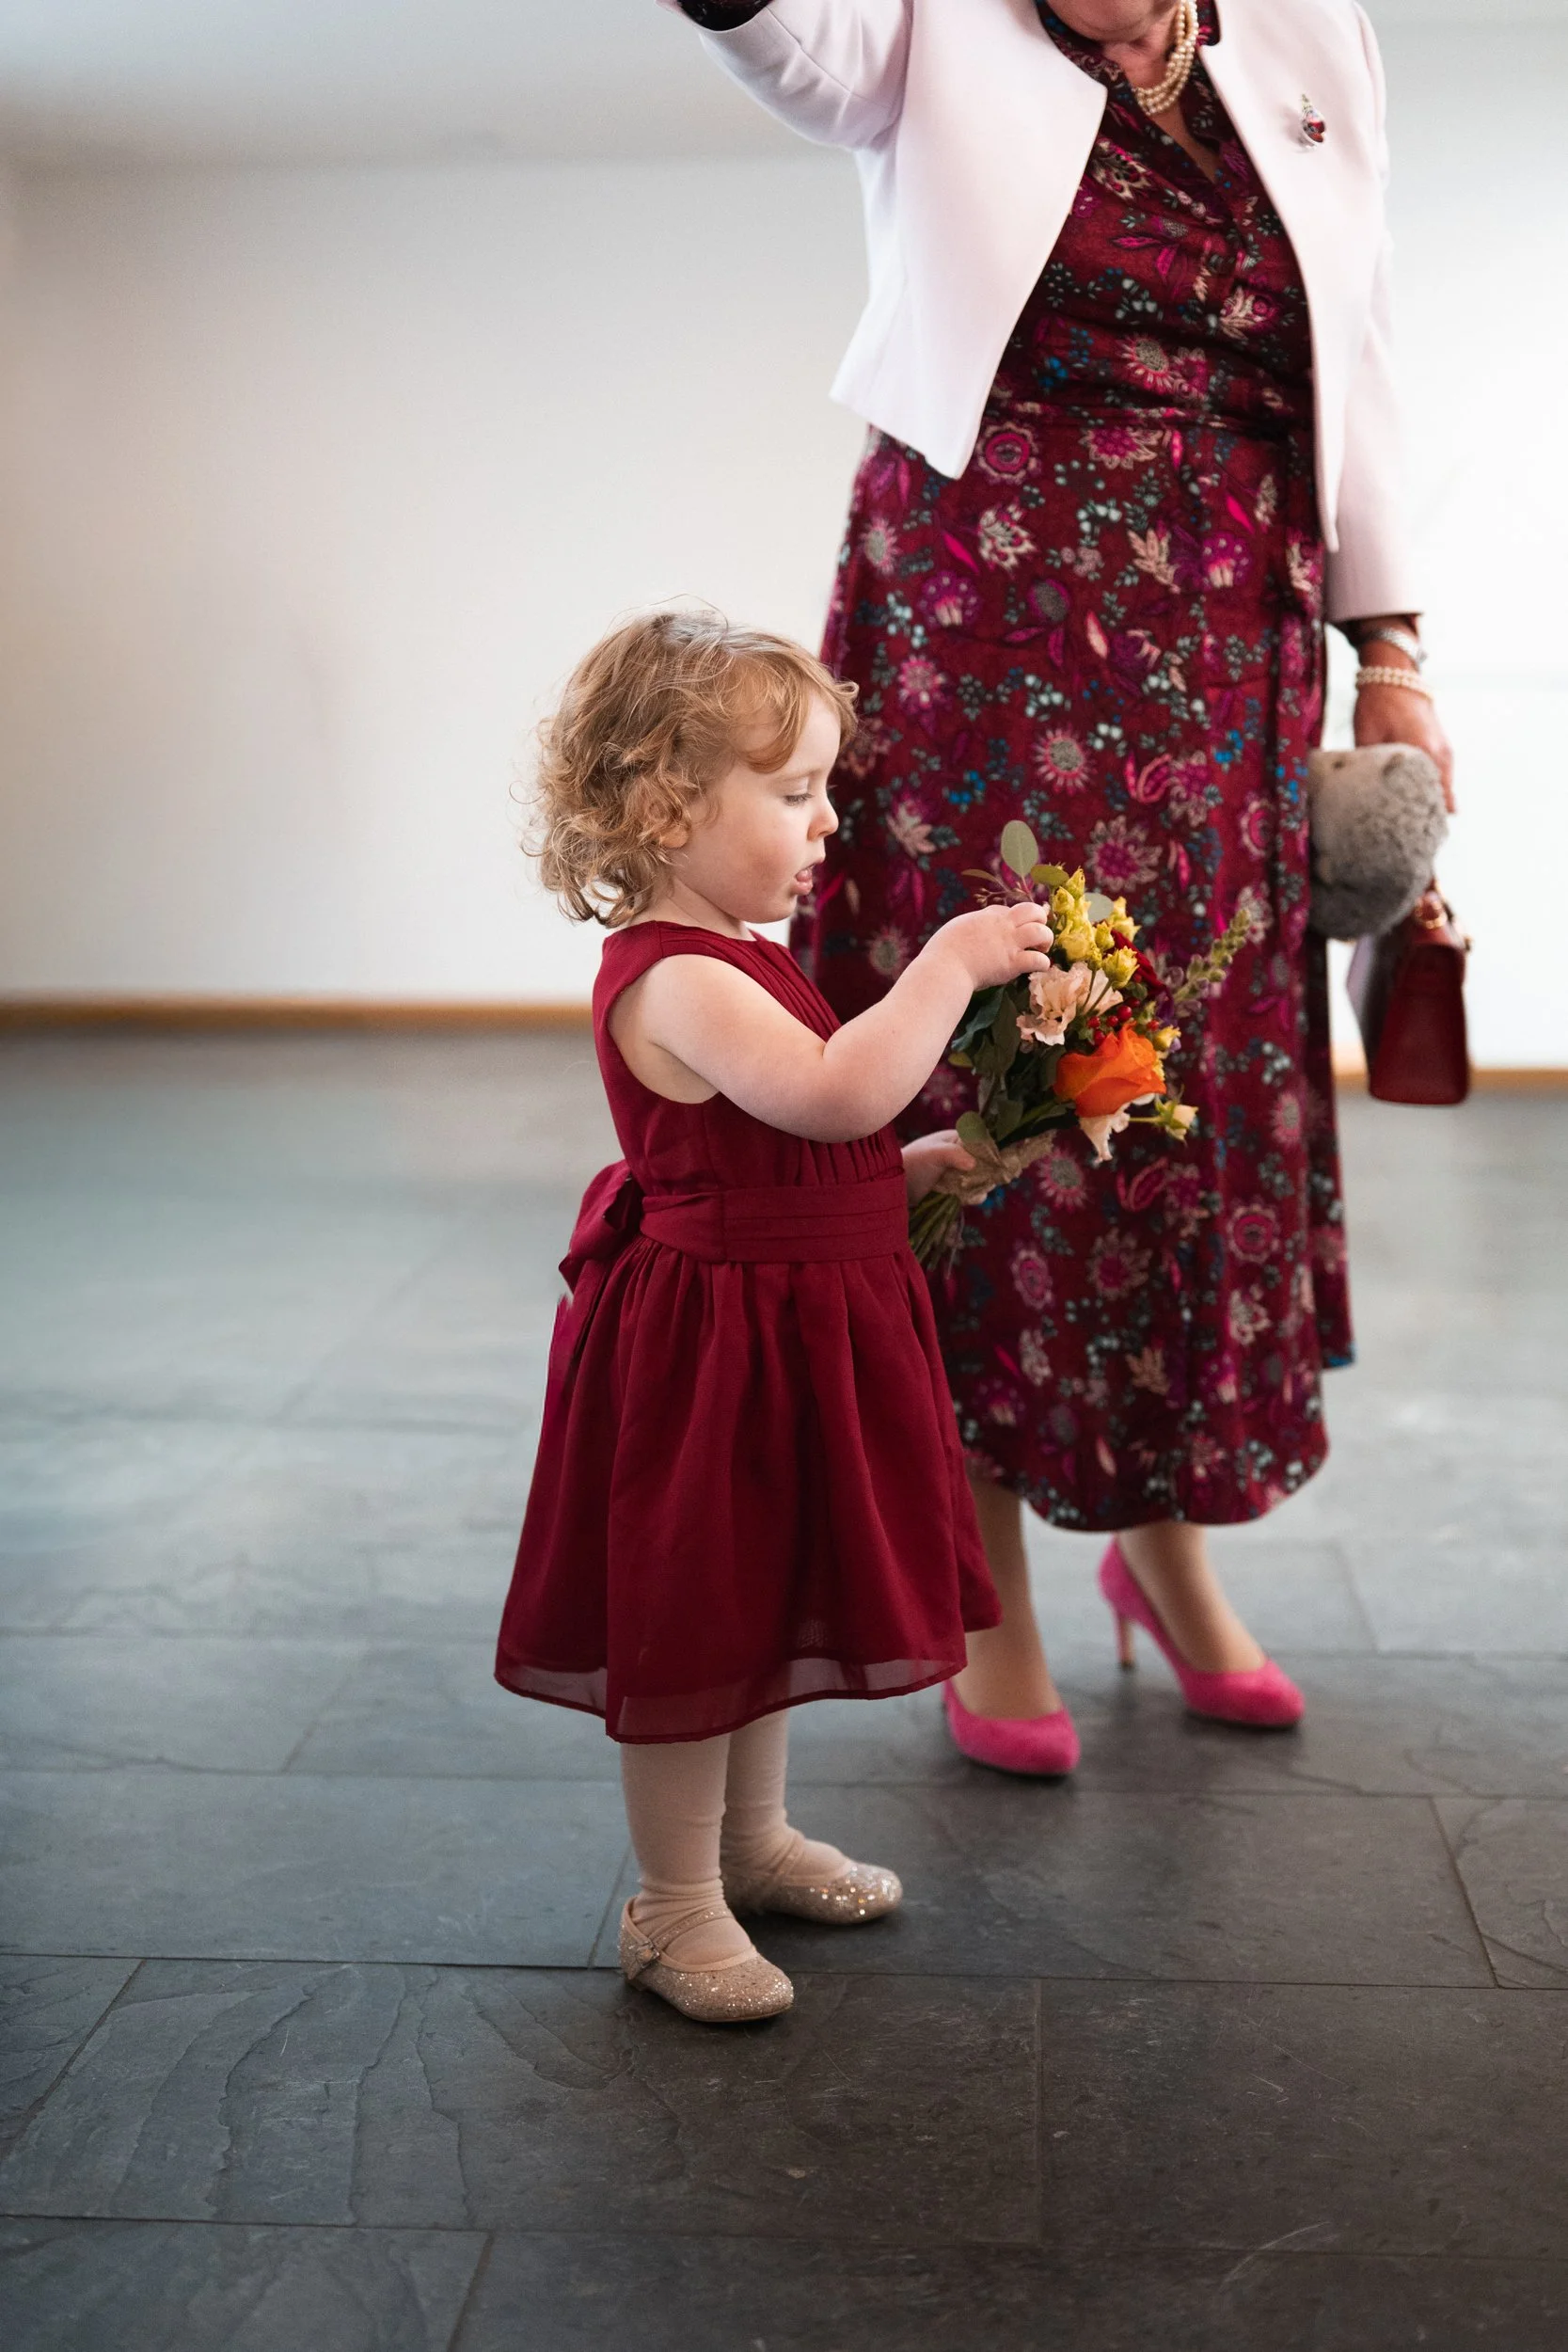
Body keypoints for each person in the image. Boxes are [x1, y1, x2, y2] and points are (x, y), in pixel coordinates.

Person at [669, 0, 1453, 1769]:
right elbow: (791, 49)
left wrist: (1389, 651)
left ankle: (1160, 1547)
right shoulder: (926, 24)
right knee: (990, 1056)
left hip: (1232, 632)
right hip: (979, 620)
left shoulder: (1312, 35)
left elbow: (1361, 336)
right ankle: (987, 1567)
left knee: (1182, 1091)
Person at [494, 610, 1053, 2022]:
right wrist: (947, 965)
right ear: (669, 803)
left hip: (783, 1324)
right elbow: (833, 1093)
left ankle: (747, 1844)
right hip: (710, 1352)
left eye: (825, 790)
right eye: (795, 793)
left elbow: (810, 1140)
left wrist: (919, 1170)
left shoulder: (736, 950)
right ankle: (671, 1905)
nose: (824, 824)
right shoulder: (677, 971)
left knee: (764, 1594)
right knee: (698, 1617)